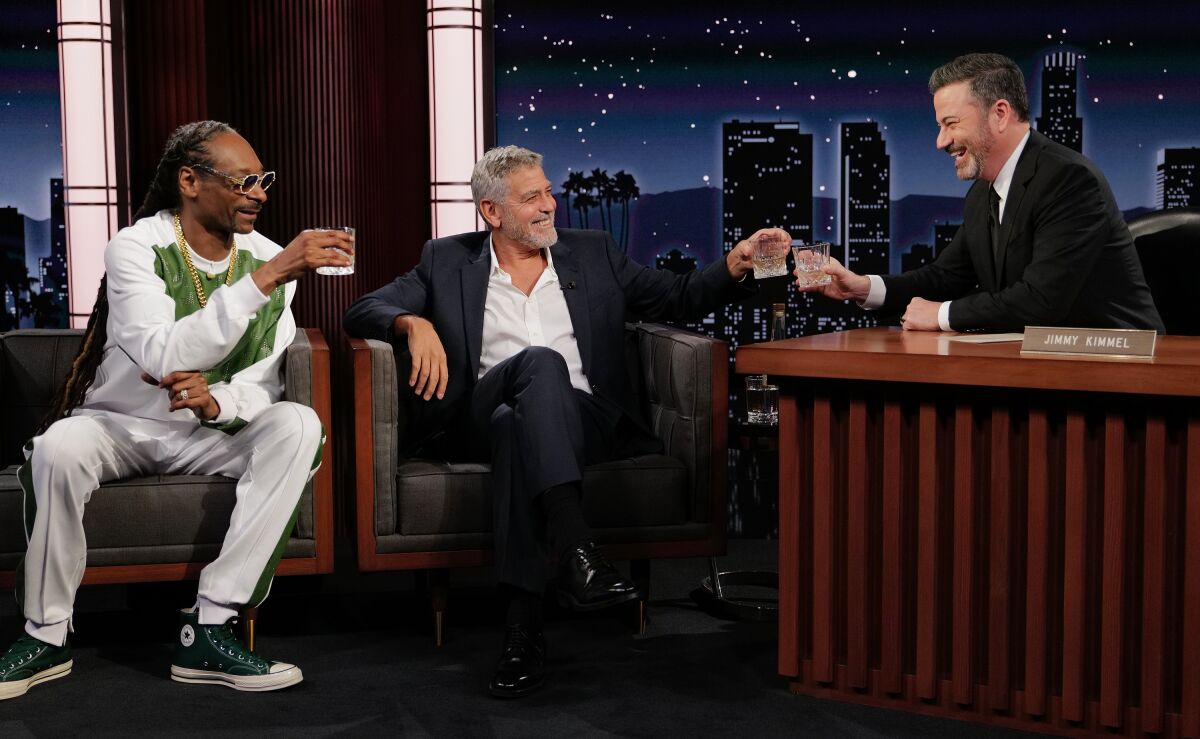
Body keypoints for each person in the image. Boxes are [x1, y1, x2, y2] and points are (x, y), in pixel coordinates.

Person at [344, 145, 767, 698]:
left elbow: (677, 296)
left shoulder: (592, 252)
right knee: (537, 368)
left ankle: (522, 633)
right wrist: (411, 323)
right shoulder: (446, 260)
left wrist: (733, 264)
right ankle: (575, 551)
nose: (550, 205)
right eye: (532, 198)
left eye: (548, 192)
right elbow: (361, 309)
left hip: (583, 419)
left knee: (515, 426)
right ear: (492, 212)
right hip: (474, 415)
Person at [0, 120, 354, 700]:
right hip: (122, 426)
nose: (259, 194)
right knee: (57, 447)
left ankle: (211, 626)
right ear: (189, 181)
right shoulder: (138, 246)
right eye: (242, 182)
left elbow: (262, 382)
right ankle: (45, 634)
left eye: (263, 181)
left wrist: (218, 401)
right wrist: (265, 280)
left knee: (299, 424)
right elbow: (163, 354)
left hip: (208, 433)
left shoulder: (268, 258)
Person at [799, 52, 1163, 333]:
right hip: (1038, 369)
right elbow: (944, 278)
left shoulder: (1068, 179)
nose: (941, 142)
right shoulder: (982, 194)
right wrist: (861, 288)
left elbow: (1041, 300)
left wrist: (941, 315)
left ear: (1000, 114)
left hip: (1120, 375)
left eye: (951, 124)